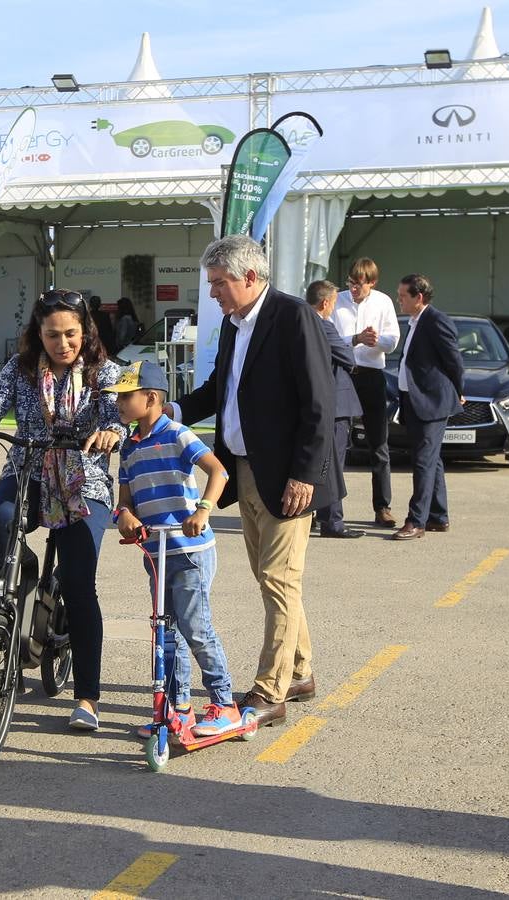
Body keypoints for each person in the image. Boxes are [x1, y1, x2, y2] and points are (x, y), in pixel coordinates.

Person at [171, 235, 334, 728]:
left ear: (250, 277)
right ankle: (300, 672)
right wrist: (170, 411)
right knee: (271, 579)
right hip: (244, 471)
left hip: (287, 477)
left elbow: (319, 404)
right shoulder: (232, 322)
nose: (214, 293)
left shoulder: (293, 317)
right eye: (211, 284)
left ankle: (270, 694)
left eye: (220, 284)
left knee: (281, 580)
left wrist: (305, 474)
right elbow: (220, 389)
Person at [0, 289, 124, 730]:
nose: (63, 343)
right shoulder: (22, 368)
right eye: (53, 335)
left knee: (78, 582)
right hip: (28, 470)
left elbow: (117, 413)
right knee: (0, 521)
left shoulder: (104, 372)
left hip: (82, 480)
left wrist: (110, 431)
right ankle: (10, 605)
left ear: (85, 332)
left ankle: (88, 696)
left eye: (71, 334)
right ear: (38, 334)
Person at [109, 361, 237, 737]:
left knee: (195, 628)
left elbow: (219, 472)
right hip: (156, 553)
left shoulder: (178, 434)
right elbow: (124, 502)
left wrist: (204, 510)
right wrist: (125, 517)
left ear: (151, 398)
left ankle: (224, 702)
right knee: (167, 633)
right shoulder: (129, 450)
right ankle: (178, 709)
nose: (118, 402)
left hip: (190, 551)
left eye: (125, 396)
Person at [392, 274, 464, 541]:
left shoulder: (436, 321)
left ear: (418, 297)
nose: (399, 300)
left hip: (431, 401)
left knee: (423, 461)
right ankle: (438, 516)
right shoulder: (414, 322)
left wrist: (459, 389)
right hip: (413, 400)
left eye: (402, 296)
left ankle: (416, 521)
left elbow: (453, 360)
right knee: (432, 460)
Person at [333, 258, 400, 528]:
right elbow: (330, 338)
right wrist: (355, 339)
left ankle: (382, 506)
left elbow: (393, 340)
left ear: (371, 283)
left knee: (379, 443)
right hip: (342, 374)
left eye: (359, 284)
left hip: (371, 375)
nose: (353, 288)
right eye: (350, 282)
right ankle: (328, 508)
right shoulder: (336, 300)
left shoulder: (383, 302)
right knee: (335, 442)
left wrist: (377, 341)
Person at [306, 280, 365, 540]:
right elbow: (348, 358)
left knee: (316, 462)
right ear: (326, 303)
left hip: (312, 404)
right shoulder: (323, 325)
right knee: (333, 464)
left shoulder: (299, 323)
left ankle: (314, 515)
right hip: (335, 406)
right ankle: (332, 520)